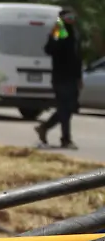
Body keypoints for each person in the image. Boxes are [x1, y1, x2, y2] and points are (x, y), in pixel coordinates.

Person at [35, 10, 83, 149]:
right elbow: (49, 49)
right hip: (60, 76)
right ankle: (66, 139)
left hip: (72, 77)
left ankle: (44, 127)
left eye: (73, 17)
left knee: (69, 108)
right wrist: (56, 33)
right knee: (65, 107)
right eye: (68, 17)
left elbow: (78, 57)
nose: (71, 20)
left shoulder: (75, 34)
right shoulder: (58, 32)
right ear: (61, 19)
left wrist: (79, 77)